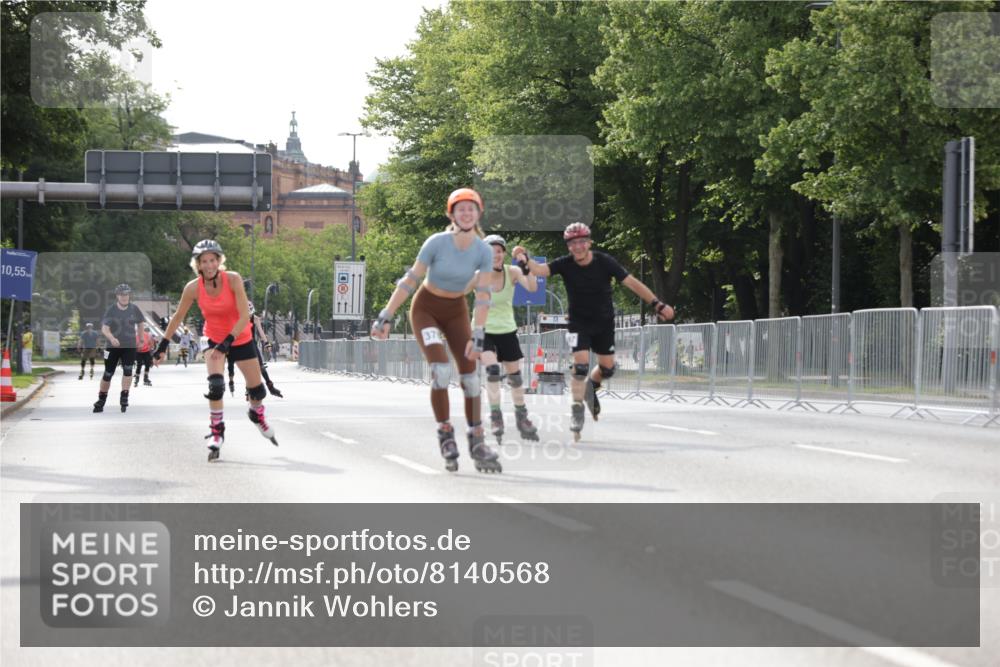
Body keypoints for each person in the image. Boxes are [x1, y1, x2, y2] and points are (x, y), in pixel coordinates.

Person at [371, 187, 499, 473]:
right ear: (451, 214)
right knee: (441, 370)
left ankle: (477, 439)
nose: (466, 213)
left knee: (470, 376)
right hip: (426, 308)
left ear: (479, 213)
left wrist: (479, 334)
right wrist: (387, 315)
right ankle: (445, 433)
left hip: (456, 311)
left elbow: (483, 295)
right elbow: (411, 279)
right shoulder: (436, 243)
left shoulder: (483, 250)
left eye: (471, 209)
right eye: (460, 209)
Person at [512, 222, 675, 440]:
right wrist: (525, 257)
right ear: (568, 246)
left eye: (581, 242)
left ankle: (590, 387)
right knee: (580, 366)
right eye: (572, 243)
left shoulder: (604, 261)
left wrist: (657, 304)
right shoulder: (565, 264)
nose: (578, 247)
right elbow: (541, 270)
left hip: (604, 322)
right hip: (578, 323)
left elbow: (632, 283)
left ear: (589, 242)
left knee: (607, 368)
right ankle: (577, 410)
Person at [154, 240, 277, 461]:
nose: (209, 265)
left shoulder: (233, 279)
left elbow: (243, 316)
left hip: (240, 337)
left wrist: (228, 341)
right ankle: (217, 431)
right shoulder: (192, 288)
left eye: (213, 260)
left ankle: (256, 413)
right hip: (213, 338)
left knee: (257, 391)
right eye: (204, 261)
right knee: (216, 385)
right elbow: (178, 317)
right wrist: (161, 346)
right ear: (198, 265)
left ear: (219, 261)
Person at [473, 234, 540, 444]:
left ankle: (522, 416)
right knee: (493, 371)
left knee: (516, 377)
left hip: (507, 330)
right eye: (491, 253)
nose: (496, 256)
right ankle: (495, 416)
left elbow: (532, 287)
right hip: (483, 330)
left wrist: (527, 267)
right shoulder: (478, 275)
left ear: (503, 253)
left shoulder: (512, 272)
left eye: (499, 252)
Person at [93, 284, 144, 413]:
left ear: (129, 295)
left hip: (129, 345)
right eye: (122, 295)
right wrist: (111, 338)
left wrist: (141, 339)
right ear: (117, 296)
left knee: (128, 370)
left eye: (126, 294)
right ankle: (101, 399)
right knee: (108, 373)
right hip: (112, 347)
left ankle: (124, 395)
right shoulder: (111, 310)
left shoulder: (134, 309)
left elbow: (140, 323)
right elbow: (105, 328)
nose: (124, 297)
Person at [228, 299, 282, 398]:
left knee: (261, 367)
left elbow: (261, 333)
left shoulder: (255, 319)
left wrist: (267, 344)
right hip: (238, 343)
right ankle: (231, 381)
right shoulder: (236, 319)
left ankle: (270, 387)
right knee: (232, 364)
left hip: (251, 343)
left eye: (249, 316)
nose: (247, 318)